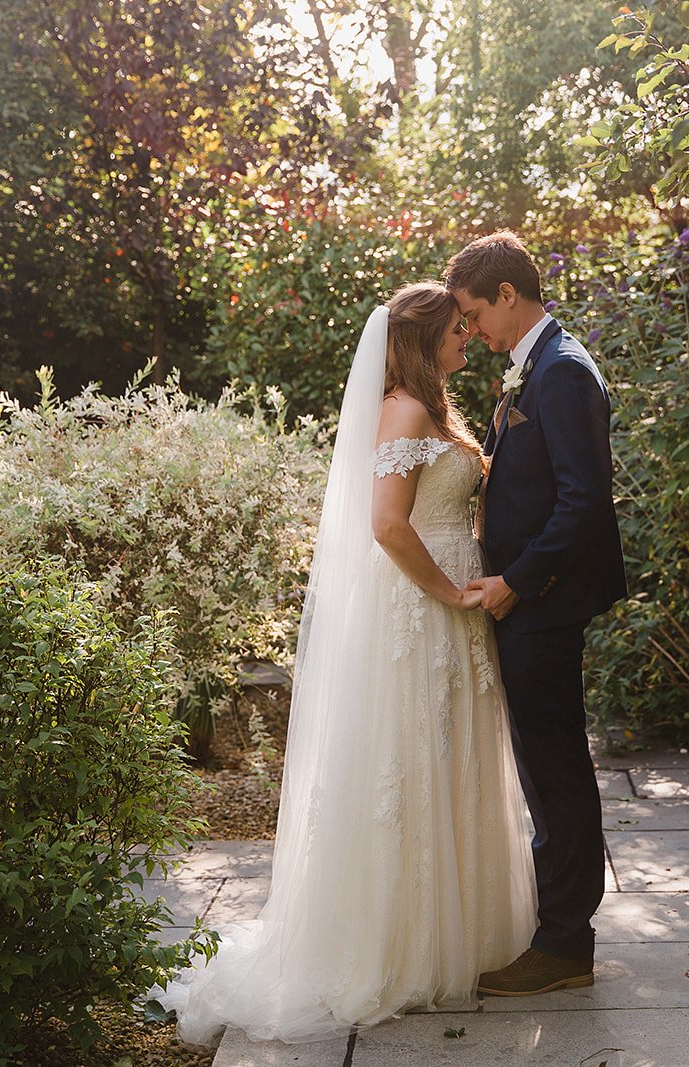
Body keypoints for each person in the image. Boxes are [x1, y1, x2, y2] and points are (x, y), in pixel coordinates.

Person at [155, 282, 537, 1044]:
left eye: (469, 326)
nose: (468, 338)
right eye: (458, 330)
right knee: (407, 766)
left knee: (445, 760)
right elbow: (389, 526)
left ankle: (452, 932)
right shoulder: (403, 409)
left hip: (450, 611)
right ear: (424, 340)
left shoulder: (435, 409)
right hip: (422, 608)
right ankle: (394, 947)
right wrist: (448, 592)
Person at [446, 231, 627, 997]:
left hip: (544, 605)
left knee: (554, 770)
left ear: (508, 297)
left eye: (472, 312)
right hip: (530, 605)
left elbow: (585, 503)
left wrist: (517, 581)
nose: (471, 329)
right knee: (543, 764)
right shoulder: (538, 368)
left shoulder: (561, 373)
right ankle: (558, 933)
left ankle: (563, 945)